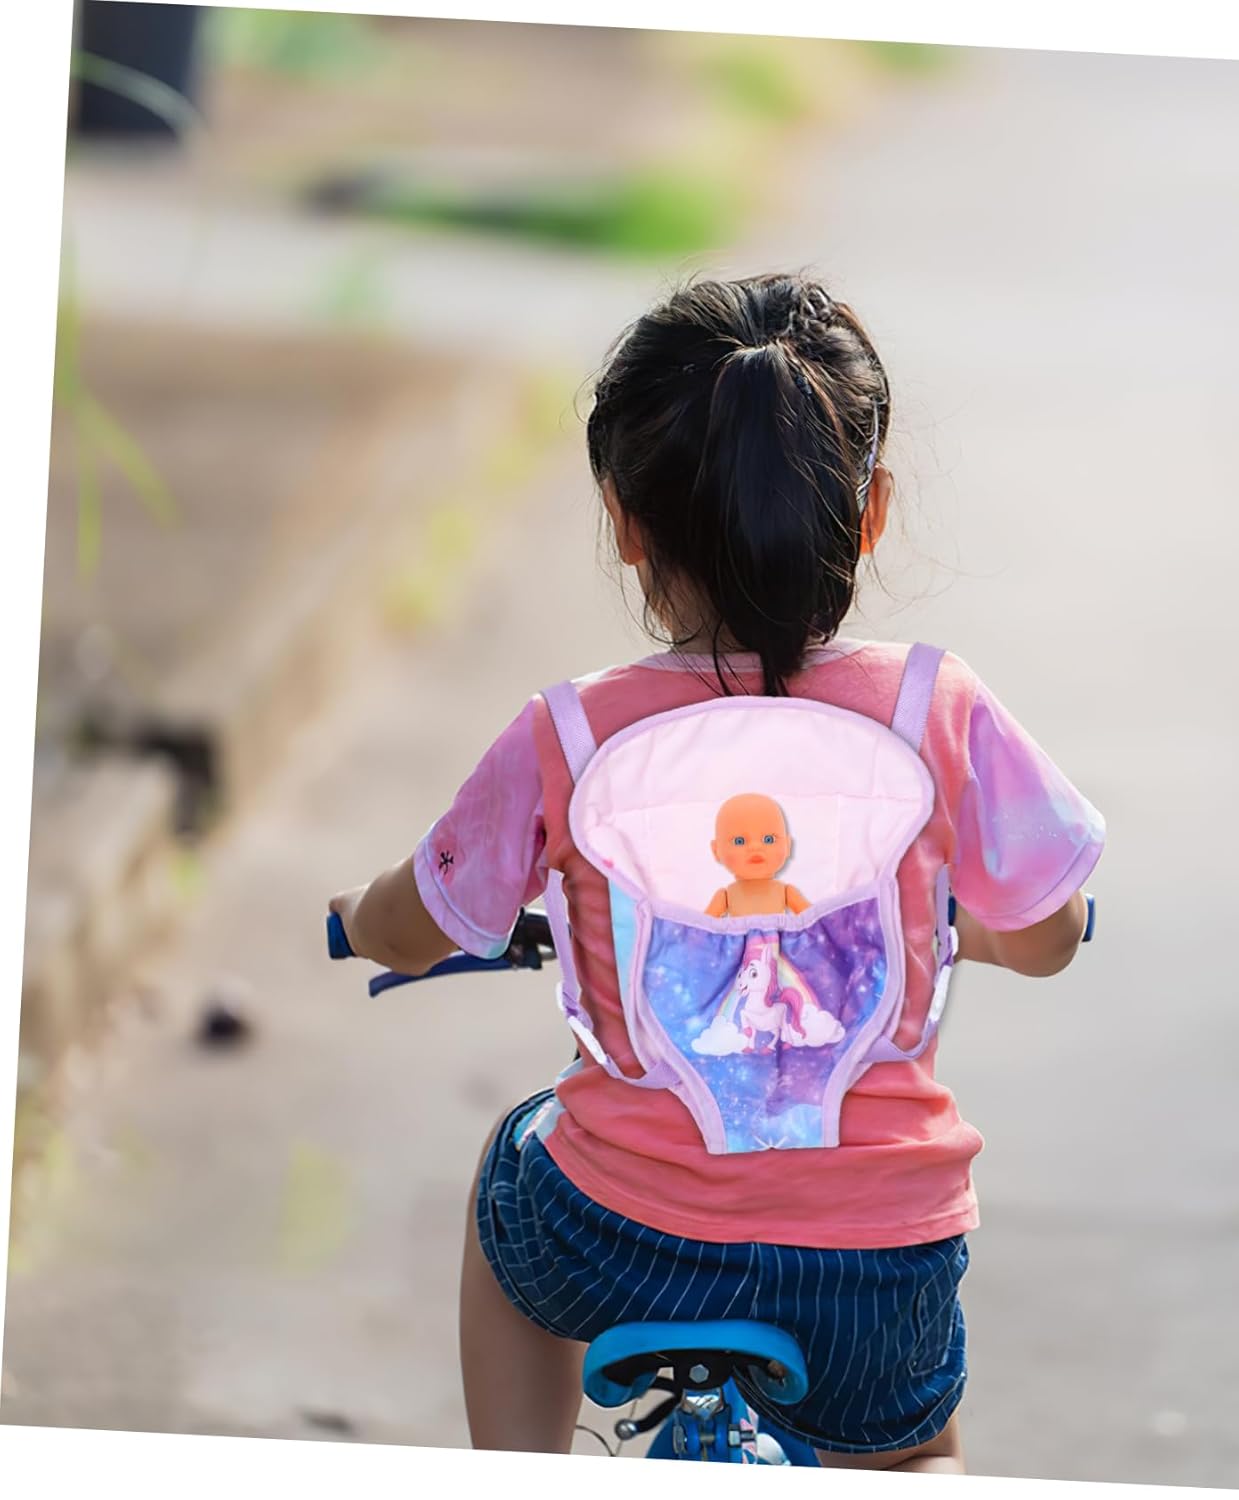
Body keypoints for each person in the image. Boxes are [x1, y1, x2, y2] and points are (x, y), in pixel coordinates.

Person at [329, 273, 1105, 1473]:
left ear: (626, 522)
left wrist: (361, 920)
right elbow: (1046, 934)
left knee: (512, 1167)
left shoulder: (569, 735)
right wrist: (987, 931)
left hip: (617, 1235)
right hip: (878, 1258)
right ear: (871, 511)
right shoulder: (936, 707)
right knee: (916, 1458)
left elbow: (417, 918)